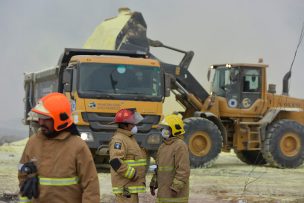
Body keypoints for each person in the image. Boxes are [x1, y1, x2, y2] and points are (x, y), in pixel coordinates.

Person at [18, 92, 100, 203]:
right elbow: (22, 174)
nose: (40, 122)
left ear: (60, 119)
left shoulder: (77, 146)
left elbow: (91, 186)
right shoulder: (33, 142)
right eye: (40, 118)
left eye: (46, 118)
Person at [109, 108, 147, 203]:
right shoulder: (119, 140)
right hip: (125, 188)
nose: (135, 126)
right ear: (125, 125)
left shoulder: (128, 138)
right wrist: (132, 174)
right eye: (132, 124)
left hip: (129, 187)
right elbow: (115, 162)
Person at [150, 114, 190, 203]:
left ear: (174, 129)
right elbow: (159, 168)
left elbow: (183, 170)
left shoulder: (180, 146)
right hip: (163, 195)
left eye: (166, 128)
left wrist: (176, 187)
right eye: (163, 128)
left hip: (175, 196)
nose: (163, 130)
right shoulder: (162, 146)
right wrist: (154, 183)